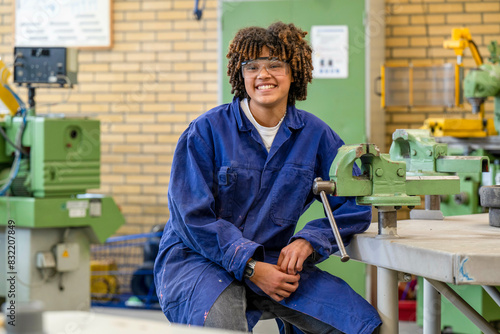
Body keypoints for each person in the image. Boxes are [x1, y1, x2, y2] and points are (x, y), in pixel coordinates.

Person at [154, 22, 382, 334]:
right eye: (253, 66)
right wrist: (248, 266)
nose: (264, 75)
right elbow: (192, 218)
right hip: (198, 261)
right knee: (223, 327)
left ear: (294, 73)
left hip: (274, 261)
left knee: (358, 325)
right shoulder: (205, 132)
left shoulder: (316, 135)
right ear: (240, 74)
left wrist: (309, 240)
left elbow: (354, 204)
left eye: (276, 65)